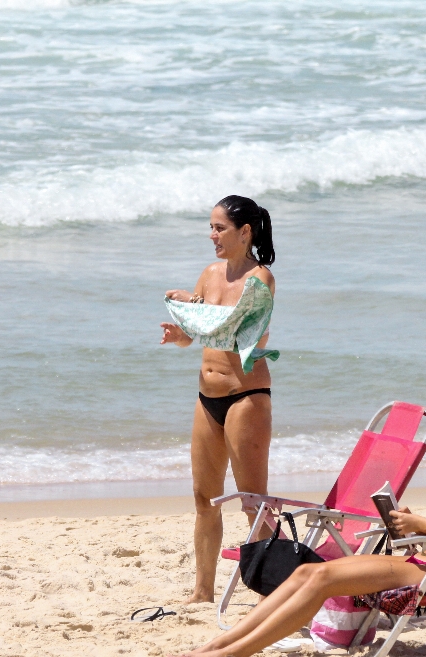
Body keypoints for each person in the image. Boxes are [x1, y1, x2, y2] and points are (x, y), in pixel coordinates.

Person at [178, 422, 426, 657]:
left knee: (321, 579)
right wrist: (416, 531)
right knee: (308, 573)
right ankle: (219, 645)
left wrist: (425, 524)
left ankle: (231, 653)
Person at [160, 195, 278, 604]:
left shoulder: (261, 280)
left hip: (245, 396)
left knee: (253, 503)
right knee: (204, 498)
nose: (212, 235)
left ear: (245, 232)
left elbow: (235, 332)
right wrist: (181, 332)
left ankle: (268, 593)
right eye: (210, 227)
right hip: (207, 396)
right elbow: (197, 335)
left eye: (220, 228)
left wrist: (193, 310)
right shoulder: (209, 274)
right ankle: (202, 591)